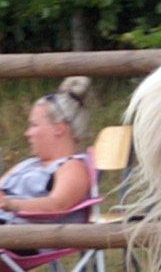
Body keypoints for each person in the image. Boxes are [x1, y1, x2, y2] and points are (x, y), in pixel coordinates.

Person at [0, 77, 92, 226]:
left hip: (22, 239)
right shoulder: (29, 164)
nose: (27, 133)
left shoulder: (72, 167)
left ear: (58, 128)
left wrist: (11, 204)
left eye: (34, 125)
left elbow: (57, 205)